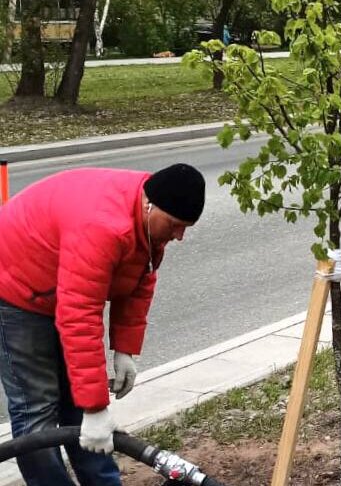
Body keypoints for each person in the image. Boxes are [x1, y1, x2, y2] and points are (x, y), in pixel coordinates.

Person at [0, 163, 205, 485]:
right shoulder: (102, 226)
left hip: (57, 285)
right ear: (150, 206)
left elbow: (140, 277)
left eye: (186, 227)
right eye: (176, 225)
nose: (179, 236)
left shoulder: (150, 214)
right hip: (14, 286)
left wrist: (125, 349)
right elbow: (79, 316)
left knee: (77, 407)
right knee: (36, 408)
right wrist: (95, 408)